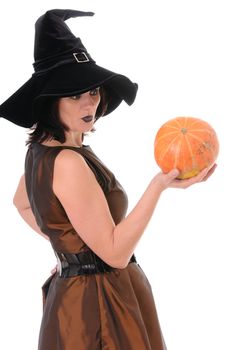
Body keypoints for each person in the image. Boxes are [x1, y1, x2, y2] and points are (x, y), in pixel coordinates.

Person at [0, 9, 216, 350]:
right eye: (74, 95)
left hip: (77, 299)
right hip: (99, 306)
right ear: (48, 102)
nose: (90, 102)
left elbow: (22, 202)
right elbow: (115, 254)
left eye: (93, 91)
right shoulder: (68, 161)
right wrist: (158, 186)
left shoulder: (43, 150)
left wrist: (71, 253)